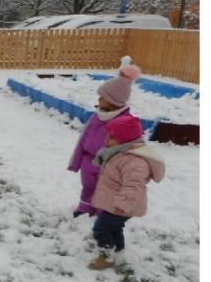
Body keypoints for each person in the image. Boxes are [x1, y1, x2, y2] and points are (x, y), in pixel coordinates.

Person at [88, 113, 165, 270]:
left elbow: (134, 185)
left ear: (125, 140)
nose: (106, 140)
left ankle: (106, 255)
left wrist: (123, 204)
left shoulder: (134, 161)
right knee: (115, 228)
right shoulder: (120, 152)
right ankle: (119, 253)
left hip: (121, 205)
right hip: (116, 202)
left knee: (101, 228)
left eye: (110, 137)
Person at [68, 58, 141, 217]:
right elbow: (82, 140)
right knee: (87, 187)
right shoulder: (96, 117)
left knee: (104, 191)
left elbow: (131, 146)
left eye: (102, 98)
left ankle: (101, 212)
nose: (98, 100)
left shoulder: (124, 122)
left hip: (108, 165)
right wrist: (76, 162)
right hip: (88, 161)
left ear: (112, 101)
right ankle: (85, 208)